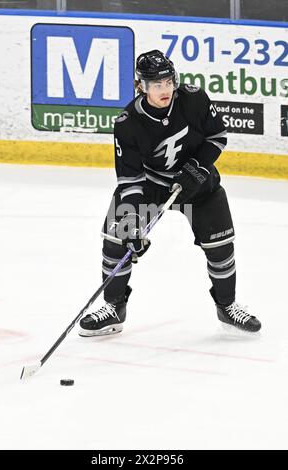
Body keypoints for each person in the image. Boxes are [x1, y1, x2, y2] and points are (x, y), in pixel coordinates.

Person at [79, 50, 261, 337]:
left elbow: (217, 136)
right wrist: (132, 225)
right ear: (141, 86)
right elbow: (129, 179)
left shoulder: (194, 99)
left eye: (168, 82)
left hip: (200, 184)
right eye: (156, 85)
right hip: (151, 186)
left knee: (221, 247)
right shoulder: (127, 122)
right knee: (117, 240)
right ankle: (114, 307)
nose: (165, 90)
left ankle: (227, 307)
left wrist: (195, 168)